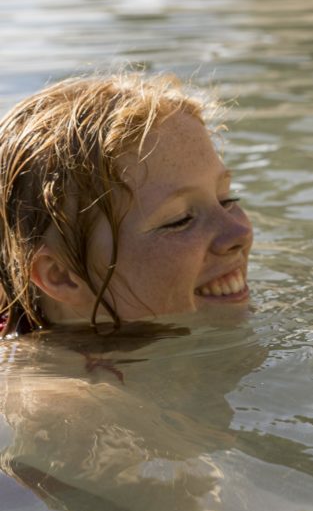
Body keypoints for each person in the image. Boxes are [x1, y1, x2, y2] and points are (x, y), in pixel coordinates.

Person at [0, 72, 253, 336]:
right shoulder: (48, 376)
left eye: (226, 200)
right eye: (180, 220)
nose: (239, 233)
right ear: (61, 275)